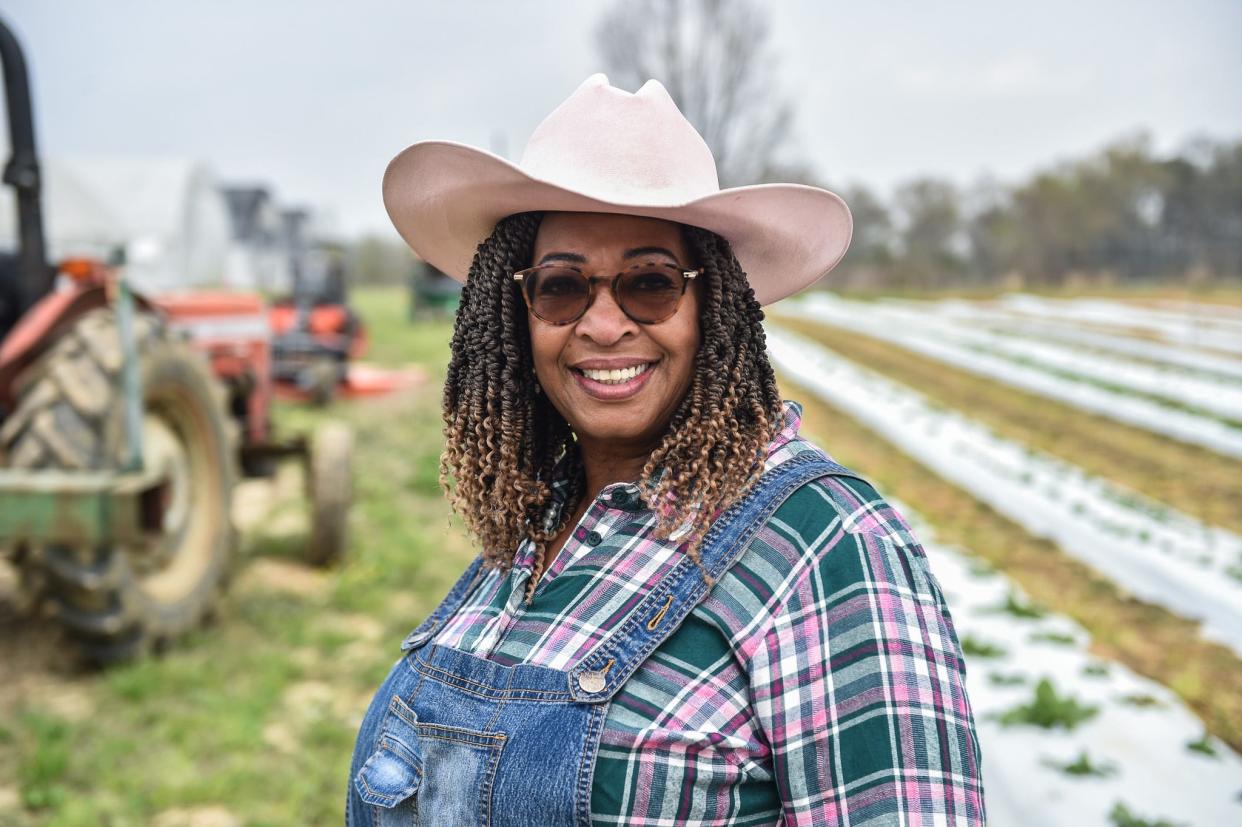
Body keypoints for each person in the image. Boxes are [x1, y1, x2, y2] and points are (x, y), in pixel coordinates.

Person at [347, 74, 985, 826]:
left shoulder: (828, 546)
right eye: (561, 287)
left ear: (713, 304)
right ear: (517, 311)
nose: (604, 324)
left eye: (649, 283)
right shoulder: (533, 528)